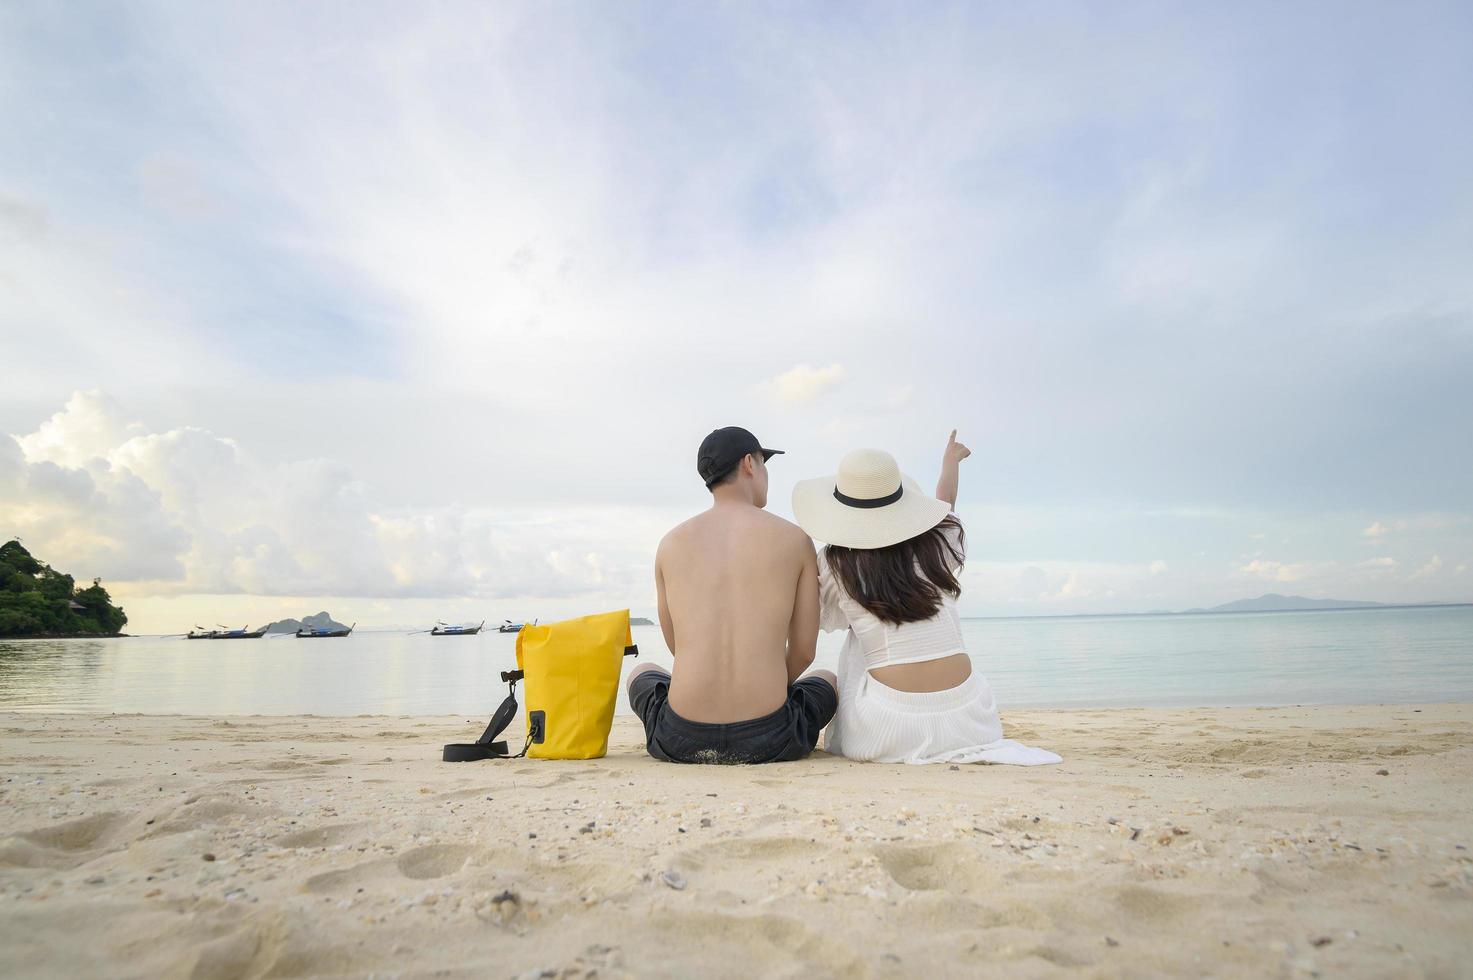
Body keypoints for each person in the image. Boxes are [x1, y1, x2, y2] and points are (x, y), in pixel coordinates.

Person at [791, 431, 1060, 766]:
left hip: (888, 728)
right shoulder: (937, 544)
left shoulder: (836, 564)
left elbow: (816, 618)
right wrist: (950, 462)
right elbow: (945, 506)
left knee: (857, 640)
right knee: (866, 632)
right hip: (972, 719)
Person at [627, 426, 837, 763]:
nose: (766, 473)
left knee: (642, 672)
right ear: (749, 464)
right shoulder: (795, 539)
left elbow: (678, 648)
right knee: (827, 679)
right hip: (772, 738)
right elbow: (803, 652)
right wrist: (763, 683)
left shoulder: (670, 543)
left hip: (680, 736)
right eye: (764, 463)